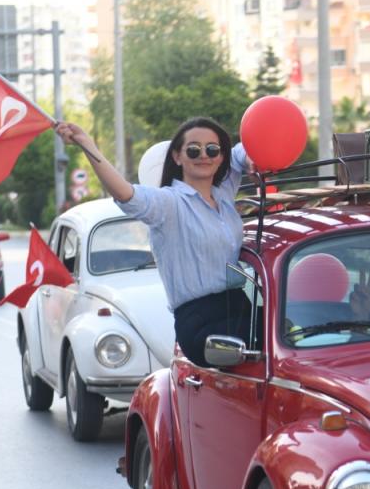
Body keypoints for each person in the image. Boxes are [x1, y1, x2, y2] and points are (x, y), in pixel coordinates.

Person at [56, 117, 250, 366]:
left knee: (292, 339)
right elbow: (125, 193)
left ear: (221, 156)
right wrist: (86, 144)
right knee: (256, 357)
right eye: (193, 150)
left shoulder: (224, 193)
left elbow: (244, 149)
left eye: (212, 149)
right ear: (177, 157)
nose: (204, 155)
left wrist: (250, 159)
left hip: (241, 306)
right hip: (201, 320)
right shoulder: (168, 203)